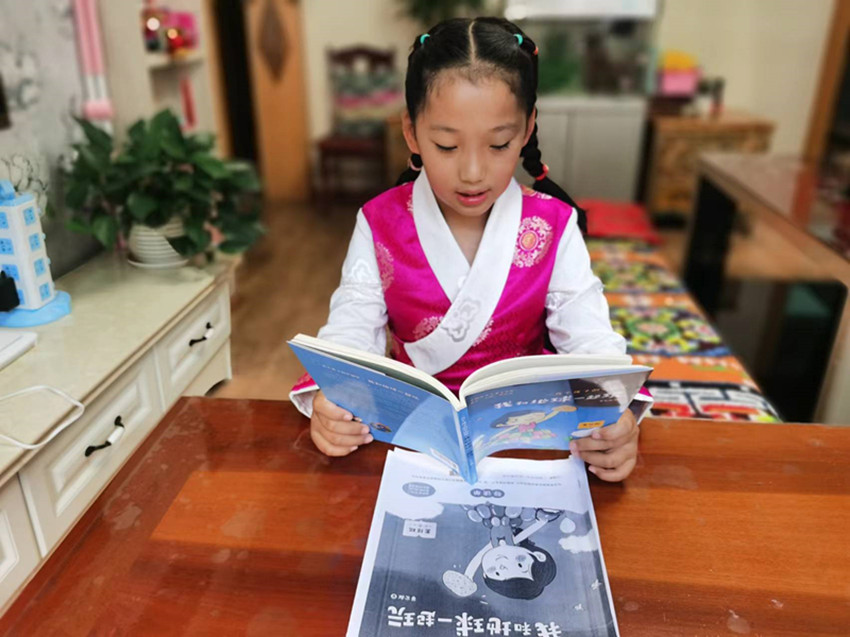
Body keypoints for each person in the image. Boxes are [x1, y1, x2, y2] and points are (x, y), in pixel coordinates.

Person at [291, 17, 643, 481]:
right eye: (446, 145)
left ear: (527, 129)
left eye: (498, 144)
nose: (473, 173)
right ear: (412, 133)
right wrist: (334, 401)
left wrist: (614, 415)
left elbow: (588, 336)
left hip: (526, 440)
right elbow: (352, 326)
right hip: (408, 438)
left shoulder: (553, 225)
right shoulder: (379, 221)